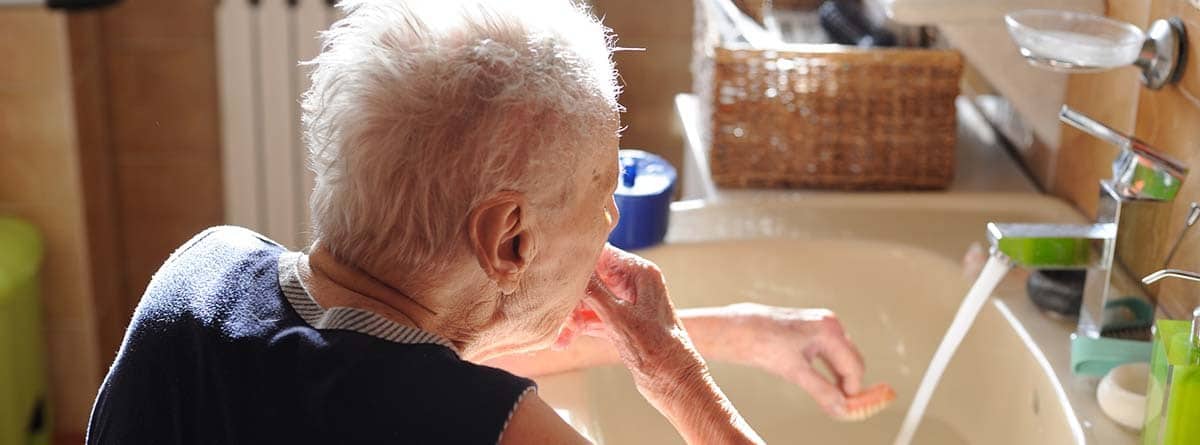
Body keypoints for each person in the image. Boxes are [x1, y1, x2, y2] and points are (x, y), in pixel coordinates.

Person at [87, 1, 878, 443]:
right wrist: (684, 382)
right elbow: (434, 381)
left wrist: (735, 331)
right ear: (511, 239)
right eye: (603, 193)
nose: (611, 218)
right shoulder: (487, 430)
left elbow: (389, 347)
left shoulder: (201, 273)